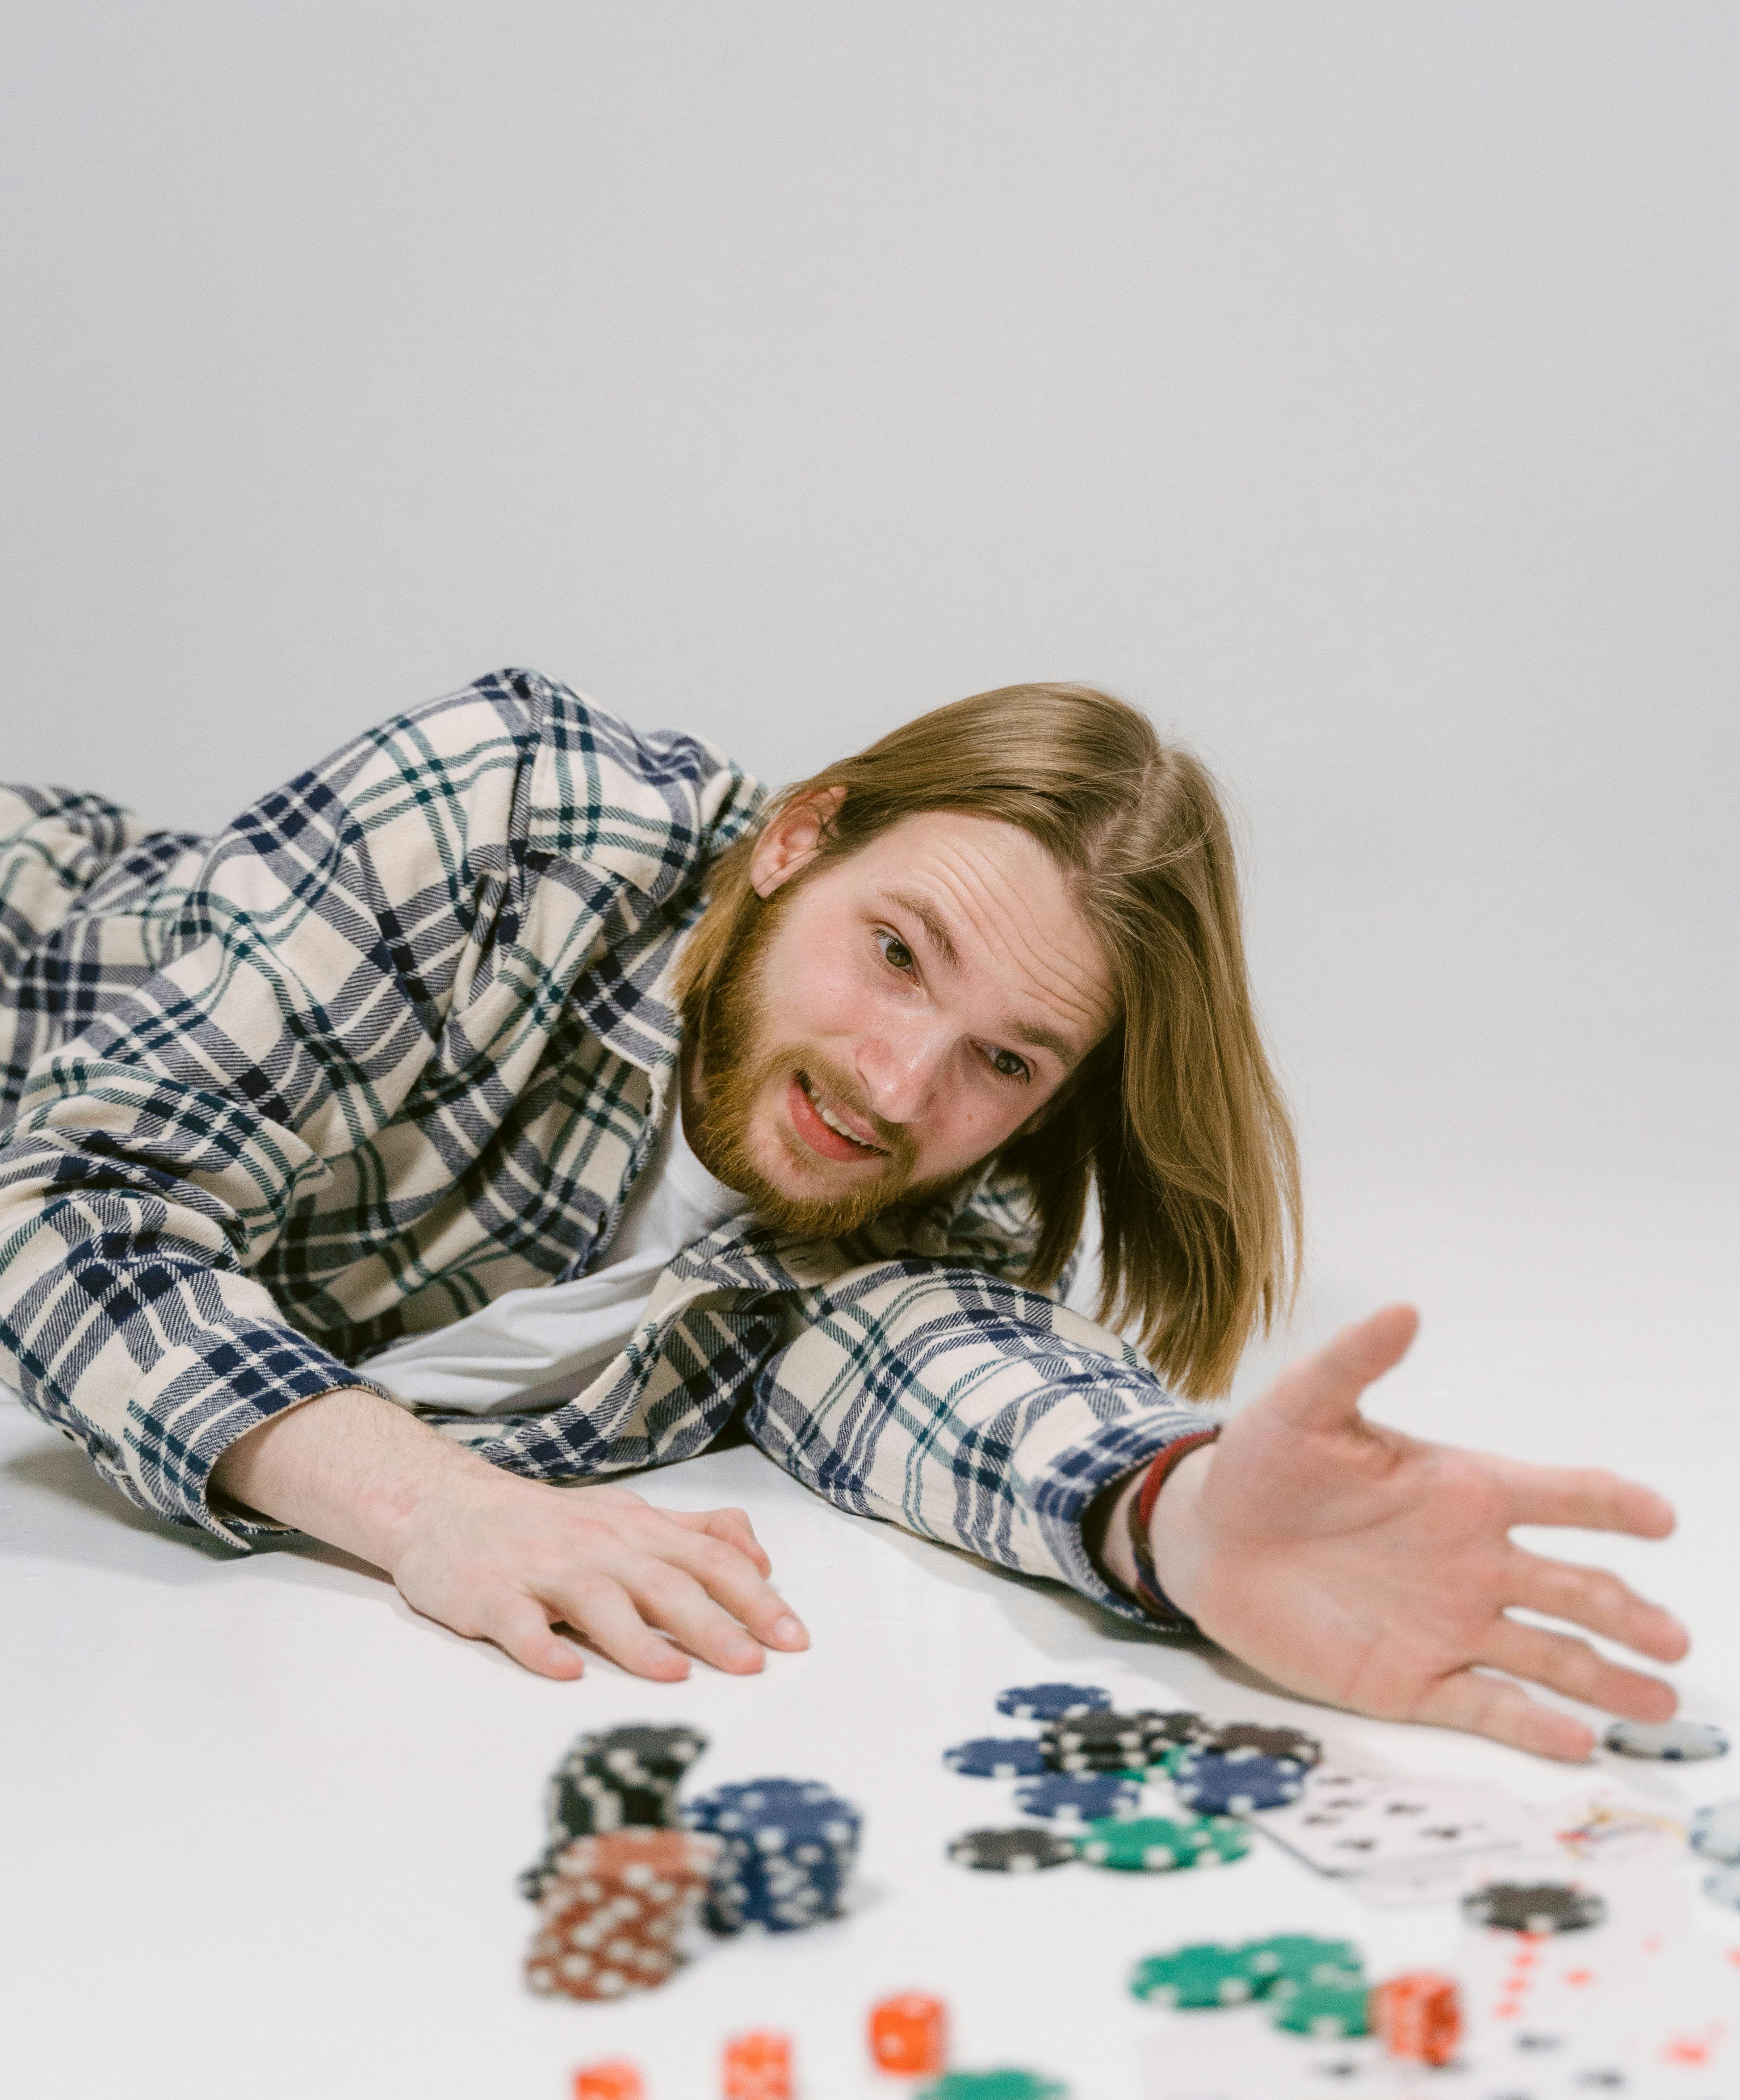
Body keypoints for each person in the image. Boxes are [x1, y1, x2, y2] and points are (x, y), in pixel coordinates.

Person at [0, 670, 1685, 1757]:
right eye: (897, 950)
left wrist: (1176, 1519)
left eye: (1004, 1056)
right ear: (797, 836)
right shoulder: (512, 809)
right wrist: (440, 1509)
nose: (894, 1085)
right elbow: (65, 1195)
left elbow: (947, 1375)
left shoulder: (933, 1176)